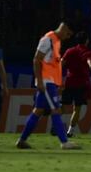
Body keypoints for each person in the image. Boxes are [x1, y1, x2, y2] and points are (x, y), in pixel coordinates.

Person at [16, 21, 80, 150]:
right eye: (68, 34)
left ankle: (22, 140)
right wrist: (39, 81)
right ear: (64, 28)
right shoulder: (48, 40)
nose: (68, 37)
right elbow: (36, 59)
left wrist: (59, 82)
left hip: (50, 82)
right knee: (55, 110)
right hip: (46, 82)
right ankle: (64, 142)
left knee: (38, 111)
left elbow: (54, 64)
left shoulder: (57, 42)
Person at [61, 31, 91, 138]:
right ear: (87, 41)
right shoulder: (88, 52)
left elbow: (61, 64)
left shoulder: (69, 51)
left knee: (63, 106)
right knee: (77, 109)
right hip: (81, 84)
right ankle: (70, 131)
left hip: (69, 82)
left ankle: (56, 126)